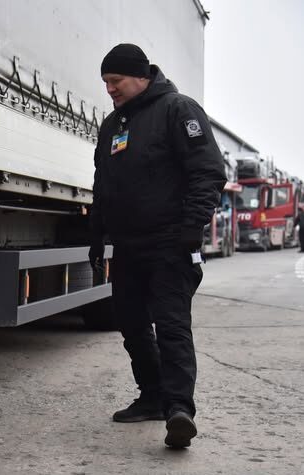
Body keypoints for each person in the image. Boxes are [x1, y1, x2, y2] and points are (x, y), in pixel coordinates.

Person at [88, 44, 227, 448]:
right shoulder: (114, 124)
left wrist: (192, 227)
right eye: (105, 83)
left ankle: (179, 409)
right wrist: (96, 234)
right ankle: (152, 396)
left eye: (114, 81)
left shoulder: (178, 110)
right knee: (131, 324)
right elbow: (104, 183)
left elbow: (208, 171)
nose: (109, 89)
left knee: (170, 325)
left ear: (140, 75)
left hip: (170, 243)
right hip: (128, 246)